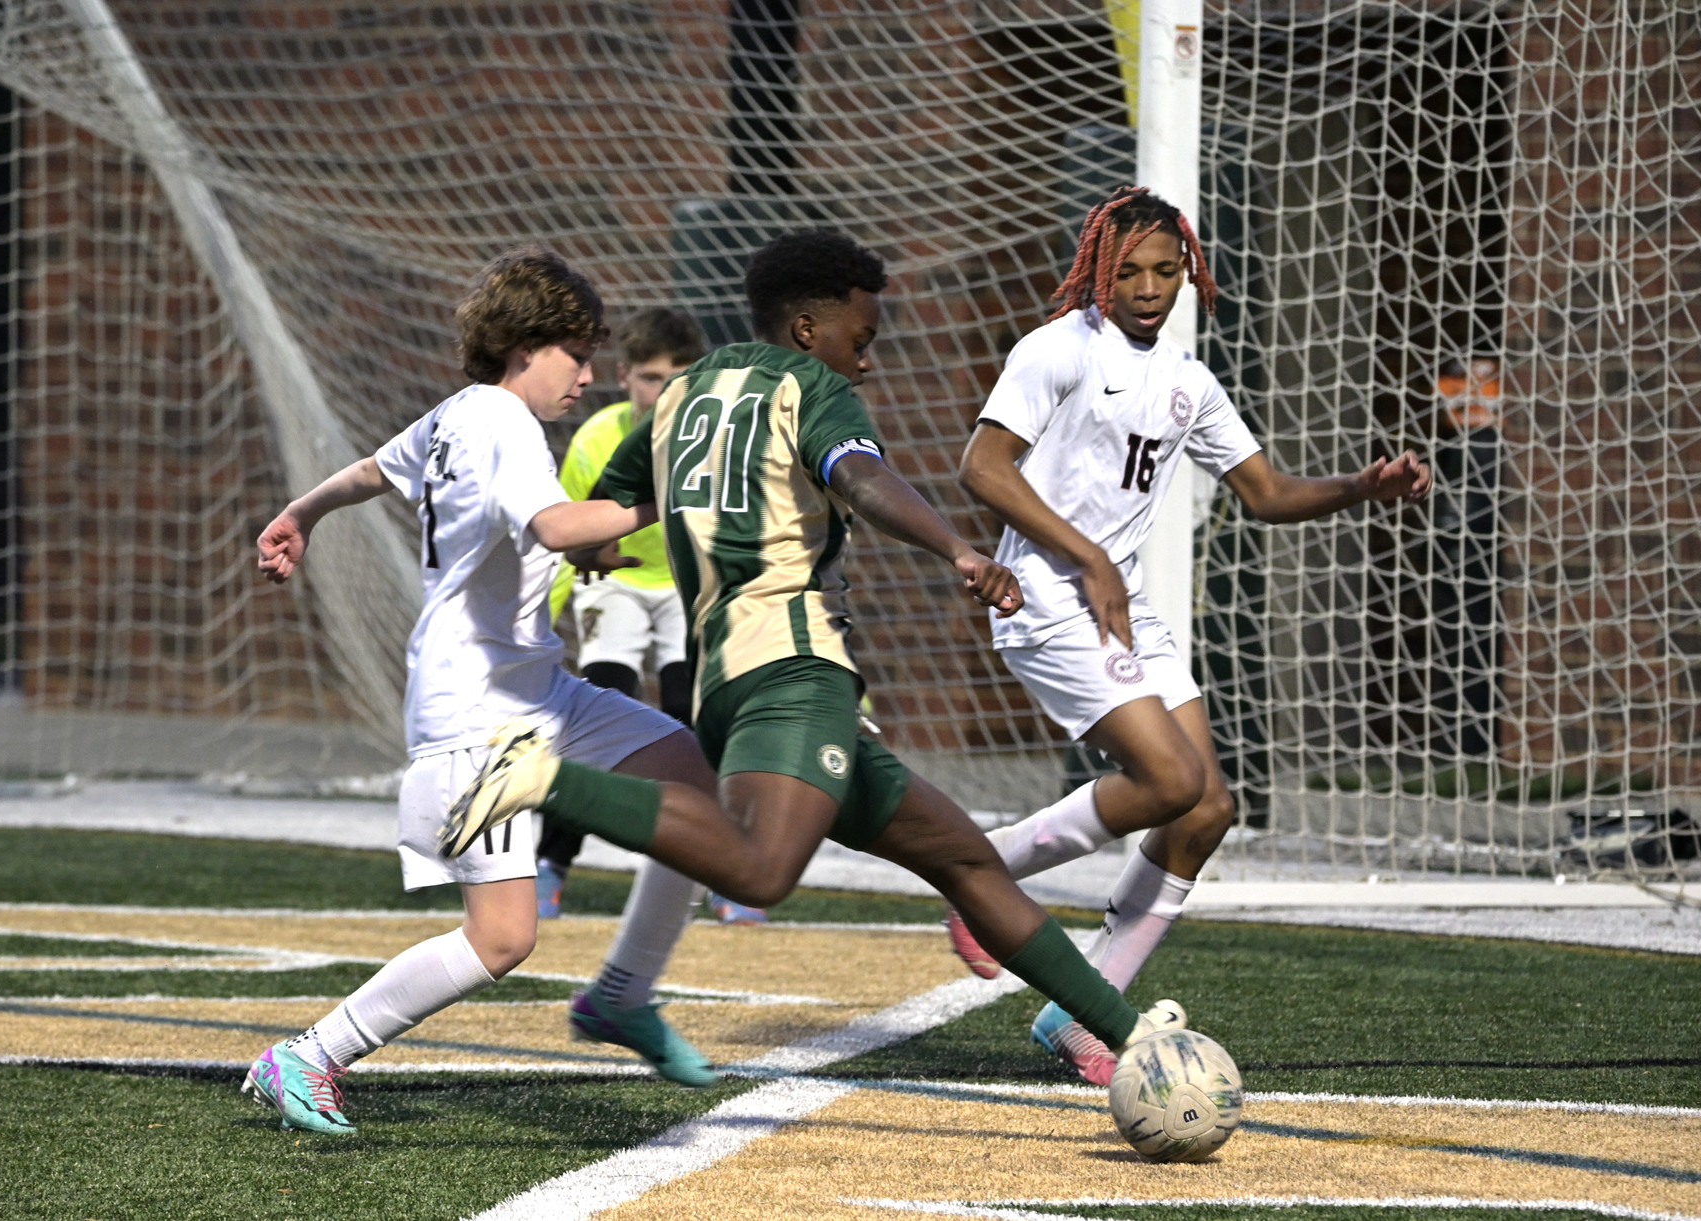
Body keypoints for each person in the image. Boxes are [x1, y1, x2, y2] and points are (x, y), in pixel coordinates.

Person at [437, 229, 1183, 1063]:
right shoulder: (812, 386)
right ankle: (541, 779)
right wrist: (959, 550)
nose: (864, 361)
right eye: (859, 339)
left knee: (968, 862)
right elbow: (861, 476)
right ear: (806, 329)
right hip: (794, 673)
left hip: (727, 682)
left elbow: (601, 527)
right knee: (760, 871)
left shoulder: (682, 394)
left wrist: (604, 551)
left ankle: (1130, 1040)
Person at [951, 186, 1432, 1083]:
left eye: (1166, 271)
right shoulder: (1057, 348)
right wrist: (1090, 556)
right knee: (1168, 778)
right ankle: (981, 871)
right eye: (1128, 271)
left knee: (1206, 807)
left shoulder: (1189, 380)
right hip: (1048, 598)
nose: (1148, 288)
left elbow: (1268, 494)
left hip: (1121, 604)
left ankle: (1078, 1014)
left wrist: (1361, 488)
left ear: (1190, 273)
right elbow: (982, 466)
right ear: (1098, 270)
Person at [242, 247, 726, 1135]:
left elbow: (372, 471)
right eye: (577, 355)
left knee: (690, 775)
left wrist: (300, 513)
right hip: (478, 707)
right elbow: (555, 524)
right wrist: (676, 498)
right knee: (503, 937)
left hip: (538, 688)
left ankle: (622, 993)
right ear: (525, 346)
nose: (588, 375)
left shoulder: (459, 412)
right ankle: (308, 1054)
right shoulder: (502, 418)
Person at [537, 307, 765, 925]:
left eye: (678, 378)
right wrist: (540, 620)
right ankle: (551, 863)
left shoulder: (718, 441)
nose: (664, 392)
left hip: (688, 589)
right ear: (623, 376)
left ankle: (724, 868)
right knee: (601, 706)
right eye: (650, 377)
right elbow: (565, 539)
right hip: (615, 583)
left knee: (700, 720)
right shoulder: (596, 439)